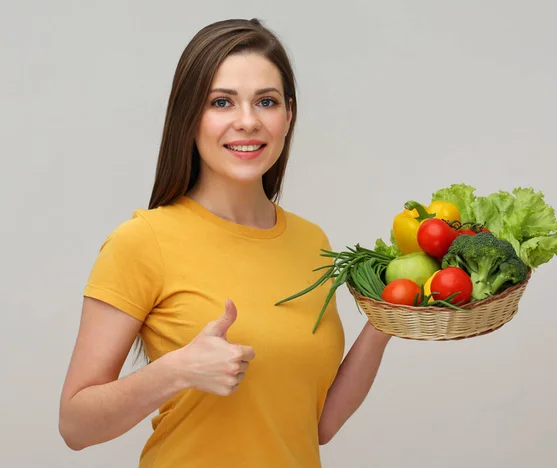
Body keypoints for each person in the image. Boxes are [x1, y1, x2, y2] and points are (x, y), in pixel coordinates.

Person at [59, 18, 392, 468]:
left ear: (288, 114)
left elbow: (318, 426)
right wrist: (176, 371)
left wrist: (386, 320)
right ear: (190, 116)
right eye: (221, 102)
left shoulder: (312, 242)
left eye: (267, 102)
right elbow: (75, 426)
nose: (248, 122)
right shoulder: (143, 241)